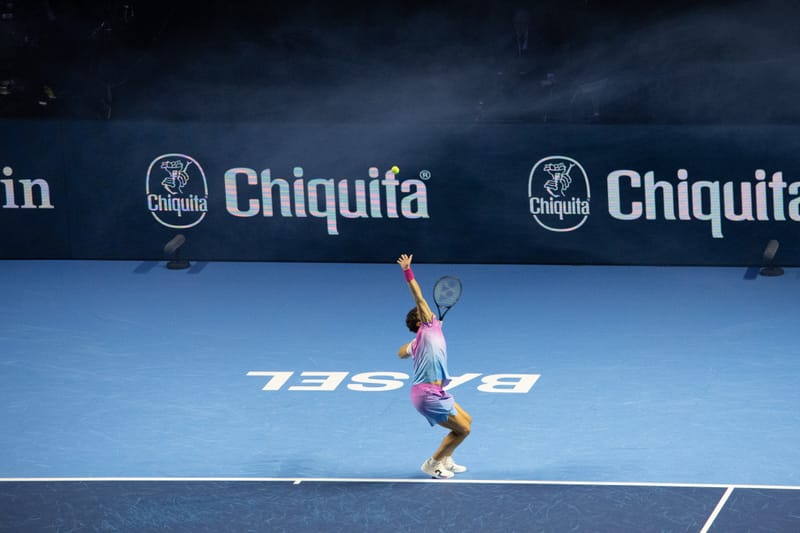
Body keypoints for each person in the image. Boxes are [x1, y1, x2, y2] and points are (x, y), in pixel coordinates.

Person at [396, 253, 472, 479]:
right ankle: (433, 463)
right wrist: (407, 271)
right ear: (422, 320)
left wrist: (413, 345)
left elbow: (400, 353)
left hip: (435, 391)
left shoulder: (420, 338)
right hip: (426, 394)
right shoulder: (428, 327)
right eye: (424, 312)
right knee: (463, 430)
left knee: (466, 422)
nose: (427, 309)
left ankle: (447, 457)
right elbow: (418, 296)